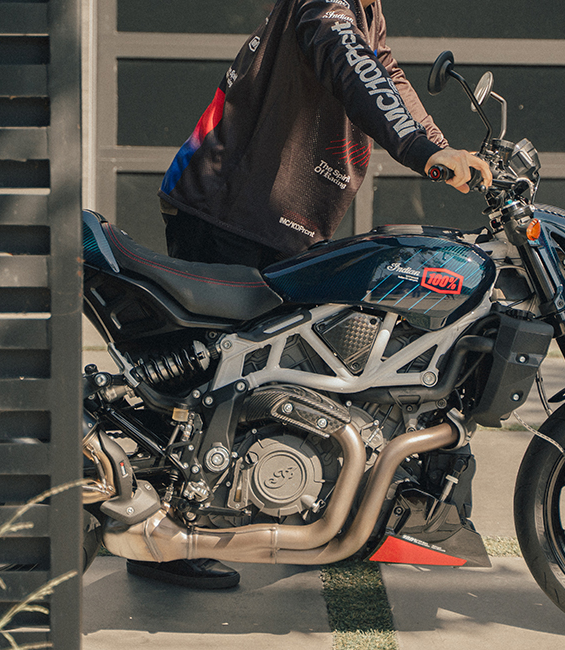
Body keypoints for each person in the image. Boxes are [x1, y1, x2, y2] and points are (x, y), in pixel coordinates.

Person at [128, 0, 491, 590]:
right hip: (233, 205)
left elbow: (385, 70)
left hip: (272, 214)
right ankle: (161, 533)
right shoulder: (328, 5)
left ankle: (304, 511)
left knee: (284, 367)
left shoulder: (364, 8)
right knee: (210, 375)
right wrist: (423, 151)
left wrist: (439, 147)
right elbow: (352, 63)